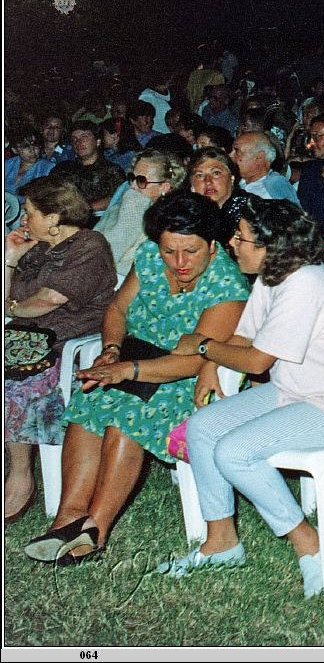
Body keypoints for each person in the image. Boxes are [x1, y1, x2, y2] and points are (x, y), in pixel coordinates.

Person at [24, 191, 247, 564]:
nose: (178, 262)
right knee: (91, 396)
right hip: (133, 357)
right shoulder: (147, 257)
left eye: (190, 252)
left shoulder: (229, 286)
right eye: (168, 251)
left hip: (181, 379)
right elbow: (117, 308)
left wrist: (126, 370)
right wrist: (111, 348)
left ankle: (96, 527)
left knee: (129, 415)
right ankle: (68, 516)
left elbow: (194, 360)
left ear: (212, 245)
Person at [161, 198, 324, 597]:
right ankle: (221, 542)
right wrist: (210, 364)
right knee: (202, 427)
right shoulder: (272, 277)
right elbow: (243, 337)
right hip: (292, 391)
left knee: (234, 452)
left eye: (241, 237)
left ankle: (310, 542)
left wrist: (203, 347)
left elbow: (254, 361)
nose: (233, 243)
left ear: (272, 246)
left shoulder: (305, 283)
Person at [4, 177, 116, 524]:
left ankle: (20, 476)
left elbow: (49, 300)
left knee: (15, 377)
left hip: (65, 342)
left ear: (53, 218)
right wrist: (10, 259)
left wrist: (10, 308)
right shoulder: (36, 248)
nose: (23, 220)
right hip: (24, 335)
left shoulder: (89, 245)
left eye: (29, 212)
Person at [95, 148, 188, 276]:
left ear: (164, 187)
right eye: (132, 178)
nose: (133, 186)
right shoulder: (125, 203)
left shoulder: (136, 204)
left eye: (141, 181)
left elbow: (100, 259)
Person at [189, 146, 254, 241]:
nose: (208, 181)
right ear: (192, 184)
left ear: (231, 178)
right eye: (199, 175)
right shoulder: (190, 213)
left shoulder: (250, 210)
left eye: (216, 173)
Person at [230, 132, 298, 203]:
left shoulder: (275, 188)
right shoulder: (235, 181)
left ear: (259, 157)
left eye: (237, 151)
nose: (230, 155)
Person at [6, 126, 56, 195]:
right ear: (15, 150)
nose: (32, 150)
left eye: (35, 145)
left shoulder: (48, 167)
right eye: (26, 147)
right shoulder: (7, 164)